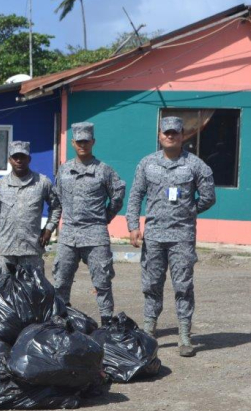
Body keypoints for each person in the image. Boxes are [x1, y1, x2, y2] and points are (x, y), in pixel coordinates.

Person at [126, 116, 216, 357]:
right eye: (166, 132)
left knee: (183, 285)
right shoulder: (147, 164)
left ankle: (185, 335)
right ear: (159, 135)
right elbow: (135, 196)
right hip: (154, 235)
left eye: (175, 133)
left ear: (182, 135)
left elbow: (208, 197)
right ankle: (148, 329)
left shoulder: (196, 165)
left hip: (182, 236)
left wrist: (189, 211)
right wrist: (133, 225)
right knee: (151, 284)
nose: (170, 136)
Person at [53, 122, 125, 325]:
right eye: (79, 141)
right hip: (69, 235)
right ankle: (61, 321)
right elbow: (57, 198)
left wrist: (104, 218)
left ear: (93, 142)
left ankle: (106, 322)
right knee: (61, 281)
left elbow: (117, 196)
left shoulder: (104, 171)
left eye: (86, 141)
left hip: (95, 234)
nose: (83, 144)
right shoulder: (64, 170)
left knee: (102, 281)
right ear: (73, 143)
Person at [0, 141, 61, 275]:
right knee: (3, 292)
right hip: (6, 250)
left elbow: (56, 206)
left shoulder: (42, 182)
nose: (19, 160)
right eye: (15, 157)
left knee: (33, 292)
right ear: (9, 160)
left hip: (31, 249)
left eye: (23, 157)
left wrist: (49, 229)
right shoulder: (0, 185)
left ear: (29, 159)